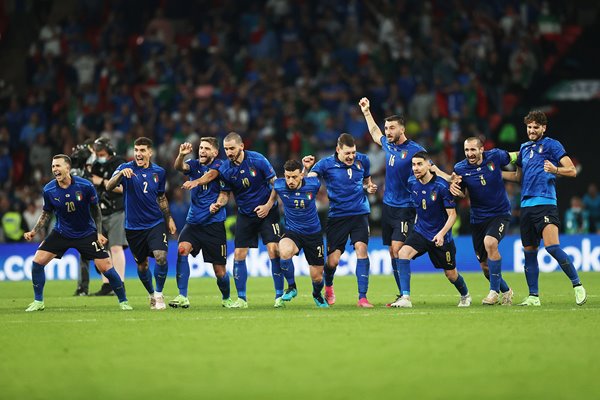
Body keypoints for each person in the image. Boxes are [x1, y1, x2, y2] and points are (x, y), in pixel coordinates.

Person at [184, 132, 285, 308]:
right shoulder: (225, 170)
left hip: (267, 212)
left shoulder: (258, 160)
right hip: (245, 214)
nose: (229, 152)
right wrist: (218, 204)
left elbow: (276, 184)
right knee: (238, 254)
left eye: (232, 148)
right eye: (226, 149)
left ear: (241, 146)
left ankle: (279, 296)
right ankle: (242, 299)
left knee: (273, 249)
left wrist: (268, 206)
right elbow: (224, 195)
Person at [23, 154, 132, 311]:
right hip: (61, 232)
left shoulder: (85, 186)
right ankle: (38, 301)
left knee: (106, 266)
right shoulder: (49, 189)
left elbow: (96, 210)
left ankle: (123, 301)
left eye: (58, 166)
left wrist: (99, 233)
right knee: (37, 262)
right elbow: (46, 213)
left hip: (86, 233)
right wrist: (34, 231)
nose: (55, 169)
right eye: (53, 166)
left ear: (68, 168)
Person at [505, 110, 586, 306]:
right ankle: (533, 296)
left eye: (535, 127)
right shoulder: (524, 148)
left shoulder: (552, 145)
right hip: (526, 206)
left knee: (552, 247)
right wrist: (495, 174)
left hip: (546, 203)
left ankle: (578, 285)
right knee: (529, 252)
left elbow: (572, 170)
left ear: (543, 128)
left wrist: (555, 169)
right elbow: (517, 177)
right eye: (529, 127)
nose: (532, 131)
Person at [359, 97, 426, 307]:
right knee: (391, 251)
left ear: (402, 129)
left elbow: (430, 170)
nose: (387, 131)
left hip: (406, 207)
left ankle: (406, 296)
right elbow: (374, 133)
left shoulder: (416, 150)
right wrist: (367, 112)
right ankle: (401, 293)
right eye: (386, 128)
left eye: (392, 128)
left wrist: (449, 179)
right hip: (389, 206)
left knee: (398, 248)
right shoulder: (388, 145)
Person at [303, 133, 377, 308]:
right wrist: (306, 169)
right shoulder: (325, 164)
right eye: (347, 153)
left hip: (360, 213)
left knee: (361, 249)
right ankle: (328, 286)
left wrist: (370, 186)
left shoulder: (363, 161)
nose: (351, 156)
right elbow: (309, 181)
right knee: (332, 261)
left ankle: (362, 297)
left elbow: (367, 181)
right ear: (338, 150)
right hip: (337, 216)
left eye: (353, 152)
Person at [391, 151, 471, 308]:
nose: (416, 168)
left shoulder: (441, 186)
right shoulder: (411, 182)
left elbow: (452, 215)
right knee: (402, 253)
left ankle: (465, 295)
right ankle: (406, 297)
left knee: (451, 274)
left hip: (441, 238)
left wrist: (441, 234)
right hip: (421, 232)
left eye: (419, 164)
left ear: (429, 165)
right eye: (413, 165)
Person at [106, 137, 177, 310]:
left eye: (142, 150)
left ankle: (159, 295)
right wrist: (121, 175)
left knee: (161, 256)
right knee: (142, 264)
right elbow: (109, 186)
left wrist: (169, 218)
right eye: (136, 150)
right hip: (133, 227)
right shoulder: (125, 168)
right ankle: (152, 294)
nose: (138, 154)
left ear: (150, 152)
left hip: (155, 223)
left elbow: (161, 197)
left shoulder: (159, 172)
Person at [450, 137, 514, 305]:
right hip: (478, 218)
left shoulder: (496, 156)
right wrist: (455, 190)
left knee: (490, 242)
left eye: (473, 150)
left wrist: (521, 172)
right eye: (466, 150)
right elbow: (462, 192)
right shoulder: (460, 168)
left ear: (481, 149)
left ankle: (493, 293)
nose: (469, 154)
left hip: (500, 213)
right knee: (485, 267)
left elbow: (517, 156)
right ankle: (506, 290)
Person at [172, 138, 233, 308]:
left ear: (215, 152)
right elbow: (179, 167)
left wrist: (197, 183)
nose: (202, 151)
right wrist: (181, 156)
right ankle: (182, 296)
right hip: (194, 223)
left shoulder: (222, 166)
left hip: (214, 224)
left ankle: (226, 298)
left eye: (207, 148)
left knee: (219, 271)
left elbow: (214, 180)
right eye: (200, 148)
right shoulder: (194, 164)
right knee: (182, 250)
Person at [273, 159, 328, 308]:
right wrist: (267, 205)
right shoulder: (279, 184)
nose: (290, 181)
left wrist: (309, 167)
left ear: (301, 175)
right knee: (283, 251)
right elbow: (274, 192)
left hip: (313, 234)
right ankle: (292, 287)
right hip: (293, 232)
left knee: (317, 277)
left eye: (294, 177)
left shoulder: (313, 184)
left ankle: (317, 294)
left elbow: (316, 181)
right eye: (288, 177)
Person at [87, 137, 128, 296]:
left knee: (116, 247)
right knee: (102, 249)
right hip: (99, 212)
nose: (100, 156)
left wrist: (102, 181)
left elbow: (124, 189)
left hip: (116, 210)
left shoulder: (119, 163)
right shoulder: (95, 164)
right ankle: (107, 285)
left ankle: (121, 283)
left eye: (102, 153)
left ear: (109, 151)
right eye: (97, 153)